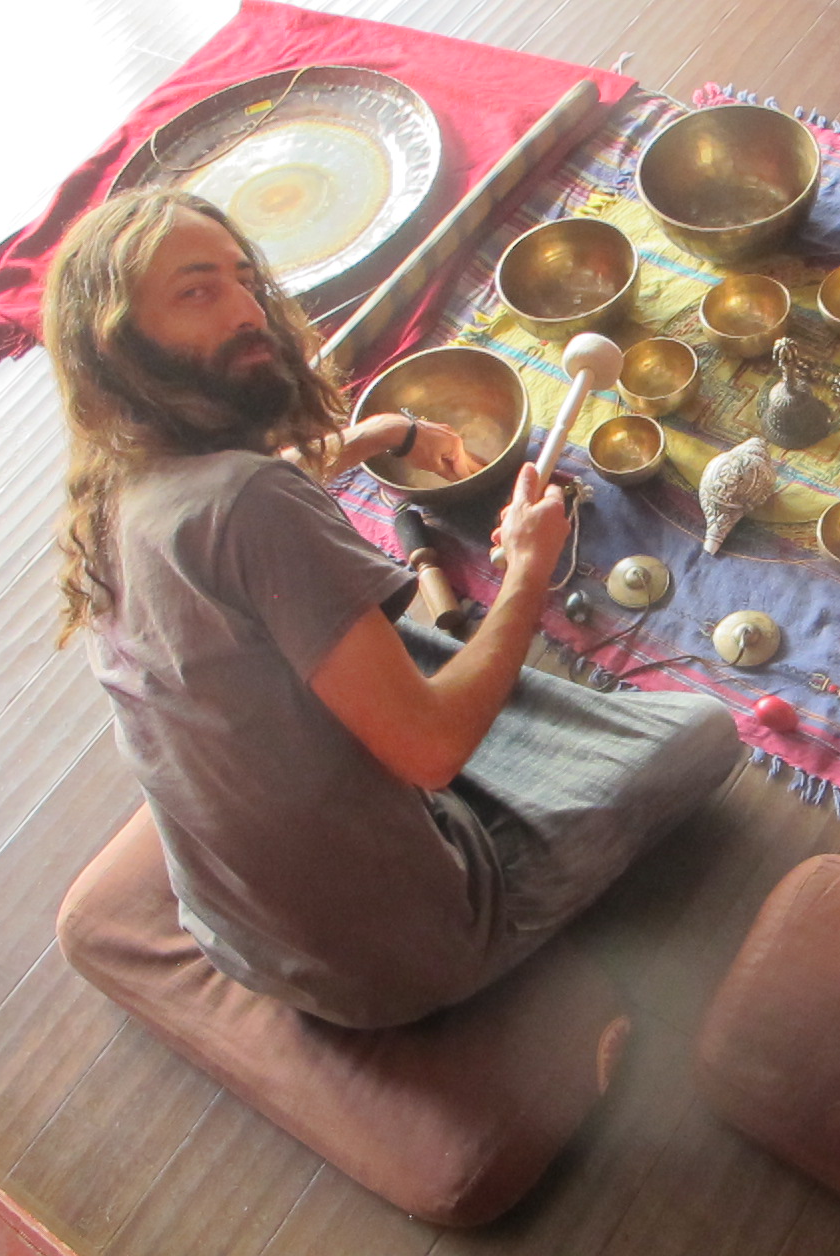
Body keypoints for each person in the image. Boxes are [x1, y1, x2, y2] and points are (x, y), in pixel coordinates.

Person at [42, 187, 742, 1029]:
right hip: (404, 948)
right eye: (196, 290)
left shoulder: (120, 481)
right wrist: (526, 570)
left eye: (242, 281)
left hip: (238, 925)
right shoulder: (250, 504)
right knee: (704, 735)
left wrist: (384, 436)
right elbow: (432, 752)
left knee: (378, 633)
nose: (246, 312)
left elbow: (251, 504)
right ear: (117, 340)